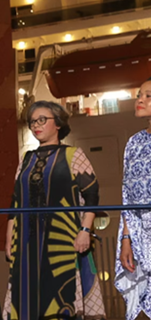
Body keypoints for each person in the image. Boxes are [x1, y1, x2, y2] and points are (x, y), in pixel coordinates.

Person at [3, 100, 106, 319]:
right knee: (25, 299)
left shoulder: (73, 154)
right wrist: (8, 238)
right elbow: (15, 202)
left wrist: (85, 230)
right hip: (25, 242)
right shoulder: (26, 159)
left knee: (61, 299)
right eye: (32, 122)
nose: (36, 125)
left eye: (42, 120)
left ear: (57, 123)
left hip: (63, 241)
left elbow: (92, 196)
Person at [116, 77, 151, 320]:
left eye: (148, 96)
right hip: (138, 231)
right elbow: (126, 195)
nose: (140, 100)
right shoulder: (133, 142)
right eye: (139, 94)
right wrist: (125, 238)